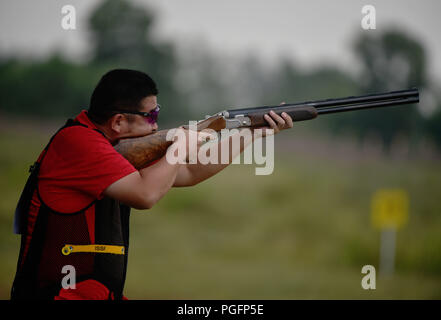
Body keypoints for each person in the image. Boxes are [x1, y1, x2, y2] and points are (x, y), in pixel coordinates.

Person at [10, 69, 293, 300]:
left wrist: (253, 132)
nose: (157, 126)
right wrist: (178, 147)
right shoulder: (79, 143)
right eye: (152, 117)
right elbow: (145, 195)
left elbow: (190, 172)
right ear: (119, 121)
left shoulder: (111, 146)